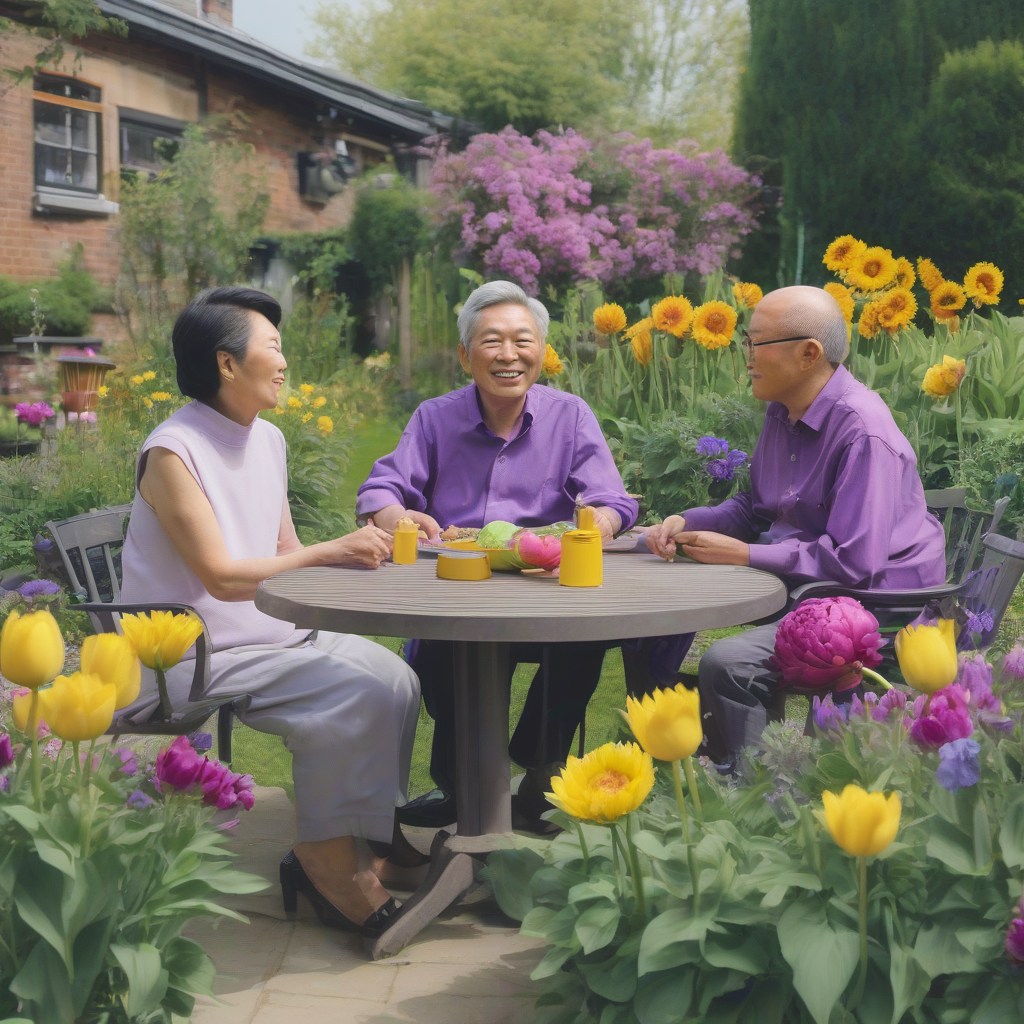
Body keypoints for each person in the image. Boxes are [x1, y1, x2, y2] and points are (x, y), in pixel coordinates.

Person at [120, 287, 424, 938]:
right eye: (274, 348)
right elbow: (224, 578)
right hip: (192, 652)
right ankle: (325, 859)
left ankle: (371, 833)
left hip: (270, 635)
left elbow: (285, 550)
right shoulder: (174, 453)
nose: (285, 363)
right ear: (227, 364)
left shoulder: (270, 439)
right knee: (355, 691)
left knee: (397, 679)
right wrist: (330, 550)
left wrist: (348, 559)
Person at [357, 280, 639, 831]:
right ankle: (465, 791)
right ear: (466, 355)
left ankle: (539, 771)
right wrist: (397, 517)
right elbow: (381, 490)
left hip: (545, 589)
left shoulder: (570, 415)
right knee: (446, 656)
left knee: (583, 641)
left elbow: (611, 500)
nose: (508, 355)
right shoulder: (434, 418)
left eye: (522, 340)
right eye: (491, 341)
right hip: (458, 590)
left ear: (541, 351)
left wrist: (597, 523)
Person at [646, 285, 946, 757]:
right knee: (653, 622)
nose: (745, 356)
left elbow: (855, 564)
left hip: (881, 608)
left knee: (729, 664)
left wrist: (745, 554)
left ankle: (765, 793)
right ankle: (697, 759)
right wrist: (687, 520)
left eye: (756, 342)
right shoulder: (782, 410)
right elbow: (758, 506)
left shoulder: (862, 431)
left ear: (809, 354)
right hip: (810, 590)